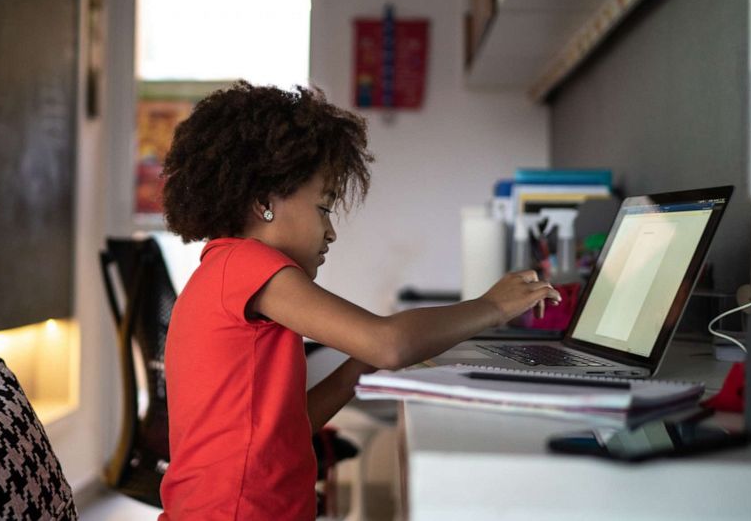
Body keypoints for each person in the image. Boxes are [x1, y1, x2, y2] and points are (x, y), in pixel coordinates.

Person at [157, 82, 561, 520]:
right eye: (324, 208)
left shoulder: (225, 269)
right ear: (262, 202)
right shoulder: (247, 265)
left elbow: (283, 431)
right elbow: (388, 341)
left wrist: (357, 371)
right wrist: (493, 306)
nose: (331, 231)